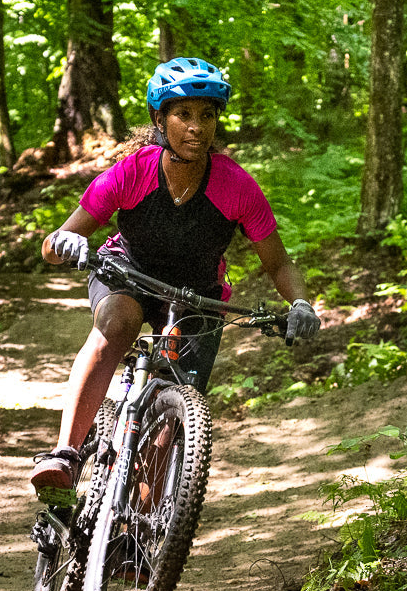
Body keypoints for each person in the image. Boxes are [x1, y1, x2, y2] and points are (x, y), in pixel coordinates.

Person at [31, 57, 321, 496]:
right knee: (117, 325)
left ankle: (137, 535)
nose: (196, 127)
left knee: (174, 411)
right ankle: (65, 456)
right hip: (127, 272)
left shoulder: (237, 186)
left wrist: (301, 303)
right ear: (159, 119)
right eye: (183, 114)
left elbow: (278, 263)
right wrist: (64, 244)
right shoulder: (131, 173)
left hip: (197, 295)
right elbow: (53, 245)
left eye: (207, 115)